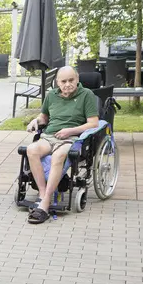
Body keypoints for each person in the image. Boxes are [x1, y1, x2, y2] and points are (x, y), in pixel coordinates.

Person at [24, 66, 99, 224]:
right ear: (57, 82)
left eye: (71, 80)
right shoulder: (51, 95)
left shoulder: (86, 95)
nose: (67, 84)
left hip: (71, 138)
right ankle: (43, 193)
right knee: (31, 150)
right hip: (50, 136)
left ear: (77, 79)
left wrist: (70, 130)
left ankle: (45, 203)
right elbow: (44, 117)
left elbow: (93, 123)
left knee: (58, 156)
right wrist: (35, 121)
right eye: (63, 81)